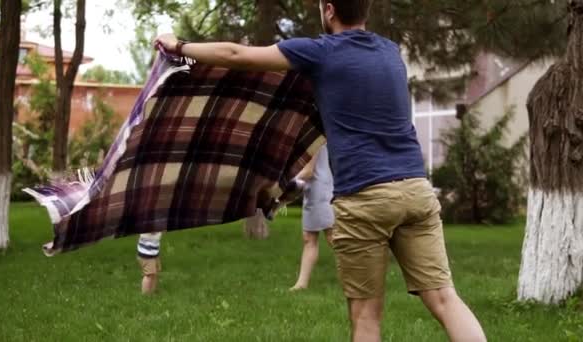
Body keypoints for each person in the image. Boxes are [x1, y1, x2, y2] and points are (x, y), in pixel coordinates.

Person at [154, 1, 486, 341]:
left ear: (329, 9)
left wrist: (178, 45)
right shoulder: (390, 51)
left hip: (365, 196)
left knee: (367, 317)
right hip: (416, 189)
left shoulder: (320, 52)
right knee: (445, 299)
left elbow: (236, 55)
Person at [290, 145, 334, 291]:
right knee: (309, 238)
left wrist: (286, 181)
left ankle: (360, 276)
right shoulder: (305, 138)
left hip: (323, 192)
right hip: (312, 192)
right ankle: (301, 284)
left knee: (333, 238)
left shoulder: (315, 140)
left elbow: (308, 171)